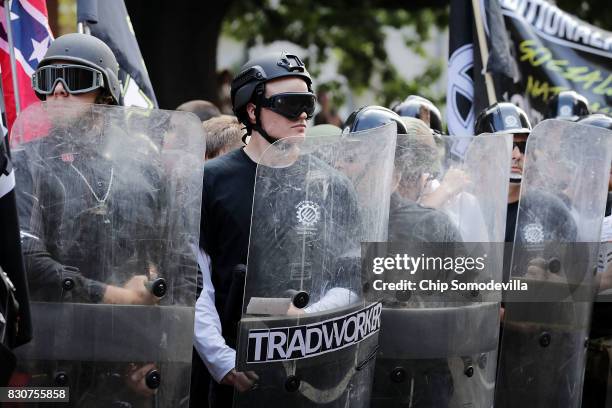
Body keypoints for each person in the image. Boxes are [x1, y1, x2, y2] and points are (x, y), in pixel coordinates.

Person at [11, 33, 188, 406]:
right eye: (47, 81)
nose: (57, 92)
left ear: (105, 93)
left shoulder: (145, 169)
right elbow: (25, 258)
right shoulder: (26, 162)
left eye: (74, 80)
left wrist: (158, 352)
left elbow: (183, 266)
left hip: (127, 360)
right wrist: (114, 295)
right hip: (47, 363)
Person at [194, 51, 318, 407]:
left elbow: (346, 274)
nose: (303, 115)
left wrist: (314, 326)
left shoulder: (328, 183)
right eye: (290, 105)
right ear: (252, 111)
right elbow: (195, 281)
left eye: (307, 103)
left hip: (310, 367)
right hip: (233, 375)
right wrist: (222, 360)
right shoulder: (211, 181)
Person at [474, 102, 532, 244]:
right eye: (507, 145)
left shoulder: (549, 210)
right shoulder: (464, 209)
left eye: (523, 146)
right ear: (483, 153)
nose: (516, 155)